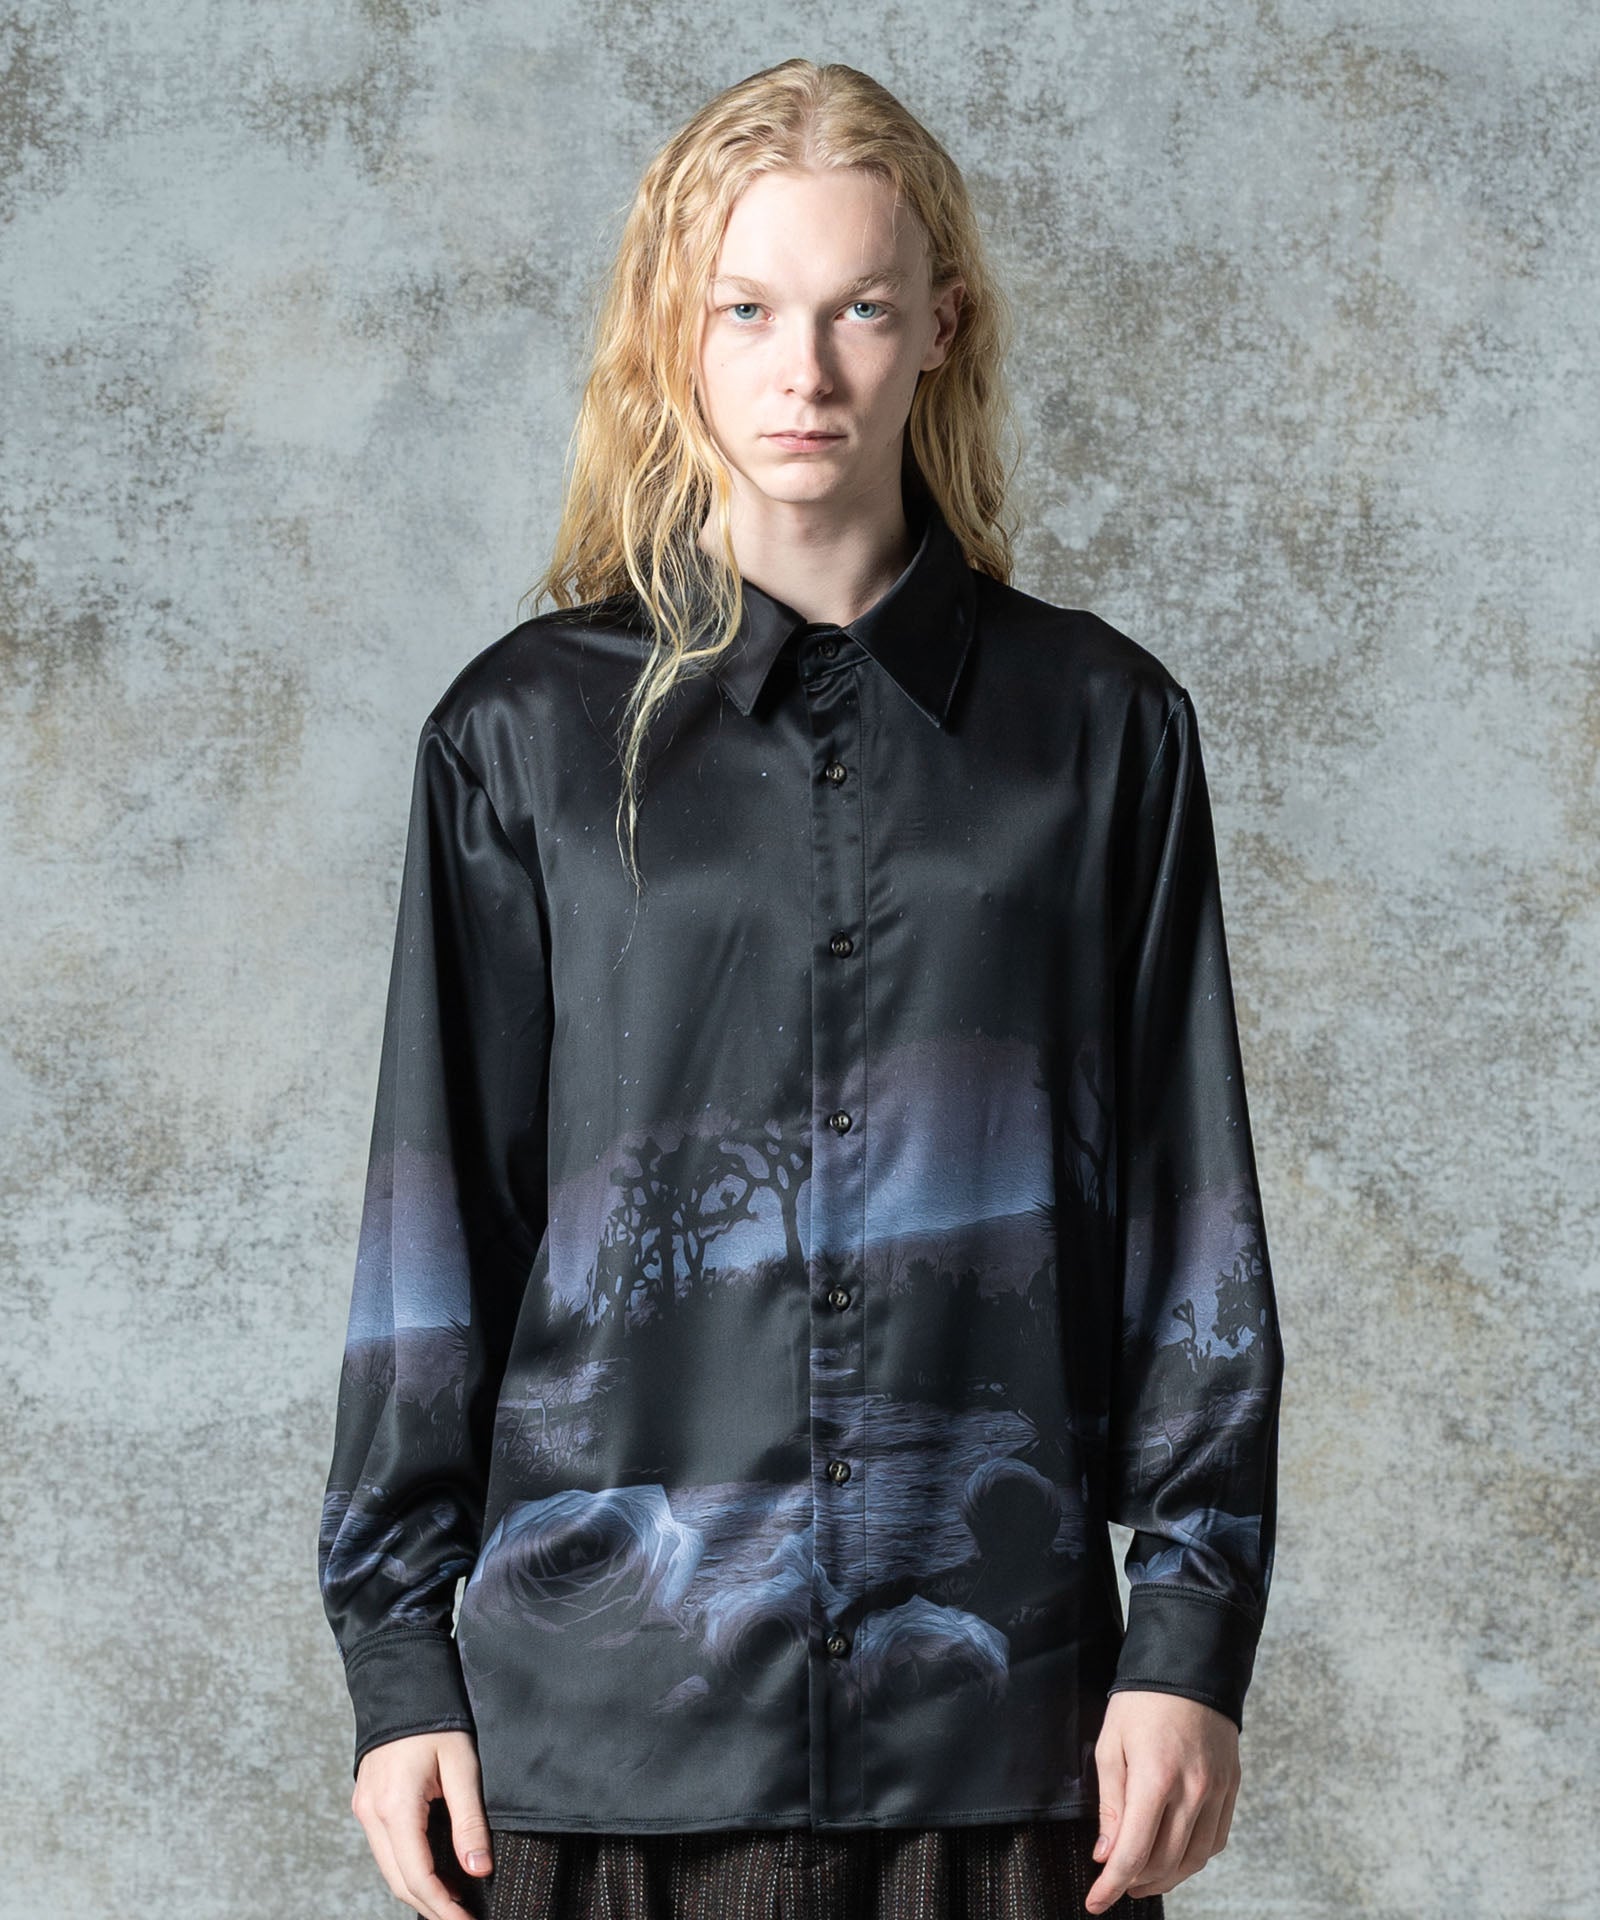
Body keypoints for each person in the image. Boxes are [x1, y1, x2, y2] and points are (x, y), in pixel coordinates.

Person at [318, 57, 1285, 1920]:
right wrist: (397, 1660)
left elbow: (1193, 1228)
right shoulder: (520, 741)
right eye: (746, 309)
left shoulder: (1101, 731)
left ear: (943, 327)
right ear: (672, 333)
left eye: (858, 309)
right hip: (605, 1746)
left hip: (1002, 1743)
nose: (806, 372)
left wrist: (1189, 1637)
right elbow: (439, 1227)